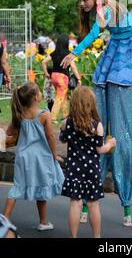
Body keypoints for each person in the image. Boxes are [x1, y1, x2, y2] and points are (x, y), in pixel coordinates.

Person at [61, 0, 132, 226]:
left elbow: (96, 33)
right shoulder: (104, 7)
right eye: (81, 1)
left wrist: (74, 53)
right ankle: (88, 199)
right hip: (116, 50)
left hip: (127, 52)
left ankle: (126, 204)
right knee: (98, 119)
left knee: (122, 135)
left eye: (84, 0)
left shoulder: (106, 8)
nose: (82, 5)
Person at [2, 82, 64, 230]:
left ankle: (3, 221)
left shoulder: (19, 114)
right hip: (40, 157)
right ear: (36, 97)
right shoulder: (44, 114)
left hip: (23, 156)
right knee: (42, 186)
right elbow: (50, 136)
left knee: (17, 187)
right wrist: (55, 155)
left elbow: (9, 132)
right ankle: (43, 222)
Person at [59, 85, 116, 238]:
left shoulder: (67, 123)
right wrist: (110, 144)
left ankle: (73, 236)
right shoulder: (97, 126)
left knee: (75, 203)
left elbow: (63, 140)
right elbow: (99, 150)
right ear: (91, 104)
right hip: (92, 169)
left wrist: (62, 128)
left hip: (73, 169)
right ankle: (96, 236)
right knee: (93, 203)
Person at [42, 34, 81, 123]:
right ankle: (52, 117)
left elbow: (43, 62)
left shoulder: (54, 53)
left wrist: (47, 73)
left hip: (54, 76)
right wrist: (78, 78)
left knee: (63, 96)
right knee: (60, 97)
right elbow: (73, 67)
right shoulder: (68, 54)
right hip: (63, 78)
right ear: (66, 43)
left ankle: (65, 115)